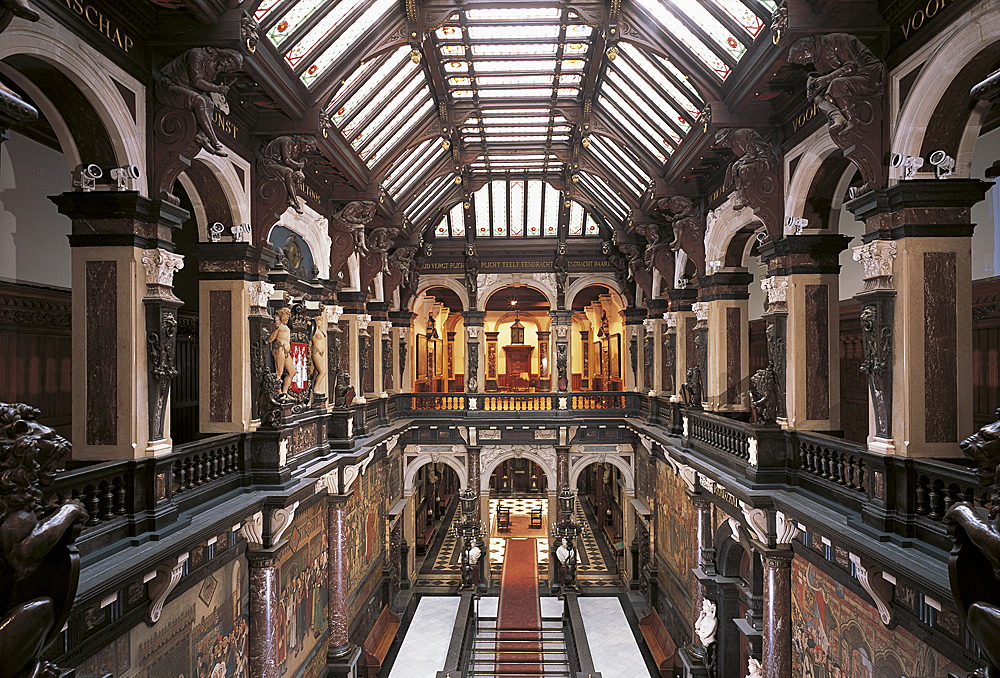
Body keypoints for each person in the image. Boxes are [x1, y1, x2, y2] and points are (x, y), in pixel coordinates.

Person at [788, 34, 884, 136]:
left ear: (808, 47)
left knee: (837, 84)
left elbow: (851, 66)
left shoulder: (834, 41)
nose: (803, 63)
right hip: (849, 79)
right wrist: (813, 85)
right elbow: (827, 75)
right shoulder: (817, 58)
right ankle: (838, 117)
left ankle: (852, 120)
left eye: (802, 59)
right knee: (818, 98)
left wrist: (826, 79)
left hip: (869, 73)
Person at [155, 48, 243, 157]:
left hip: (185, 89)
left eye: (230, 67)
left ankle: (202, 135)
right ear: (224, 54)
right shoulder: (197, 54)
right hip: (168, 87)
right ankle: (215, 142)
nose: (226, 66)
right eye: (229, 61)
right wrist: (217, 89)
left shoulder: (214, 69)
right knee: (199, 101)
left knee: (209, 103)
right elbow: (196, 81)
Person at [269, 307, 295, 396]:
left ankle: (285, 392)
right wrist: (276, 329)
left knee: (292, 372)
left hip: (286, 351)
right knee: (279, 372)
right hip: (280, 349)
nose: (288, 317)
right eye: (286, 314)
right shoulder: (278, 325)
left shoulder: (285, 325)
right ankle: (278, 392)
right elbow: (271, 339)